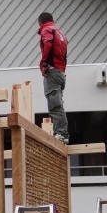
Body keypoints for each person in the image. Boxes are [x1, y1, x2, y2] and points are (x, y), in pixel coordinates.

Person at [37, 11, 69, 144]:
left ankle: (61, 134)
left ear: (41, 22)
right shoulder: (60, 34)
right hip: (60, 72)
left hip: (53, 72)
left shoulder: (47, 30)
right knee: (58, 104)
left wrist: (44, 63)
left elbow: (48, 43)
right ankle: (61, 133)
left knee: (54, 105)